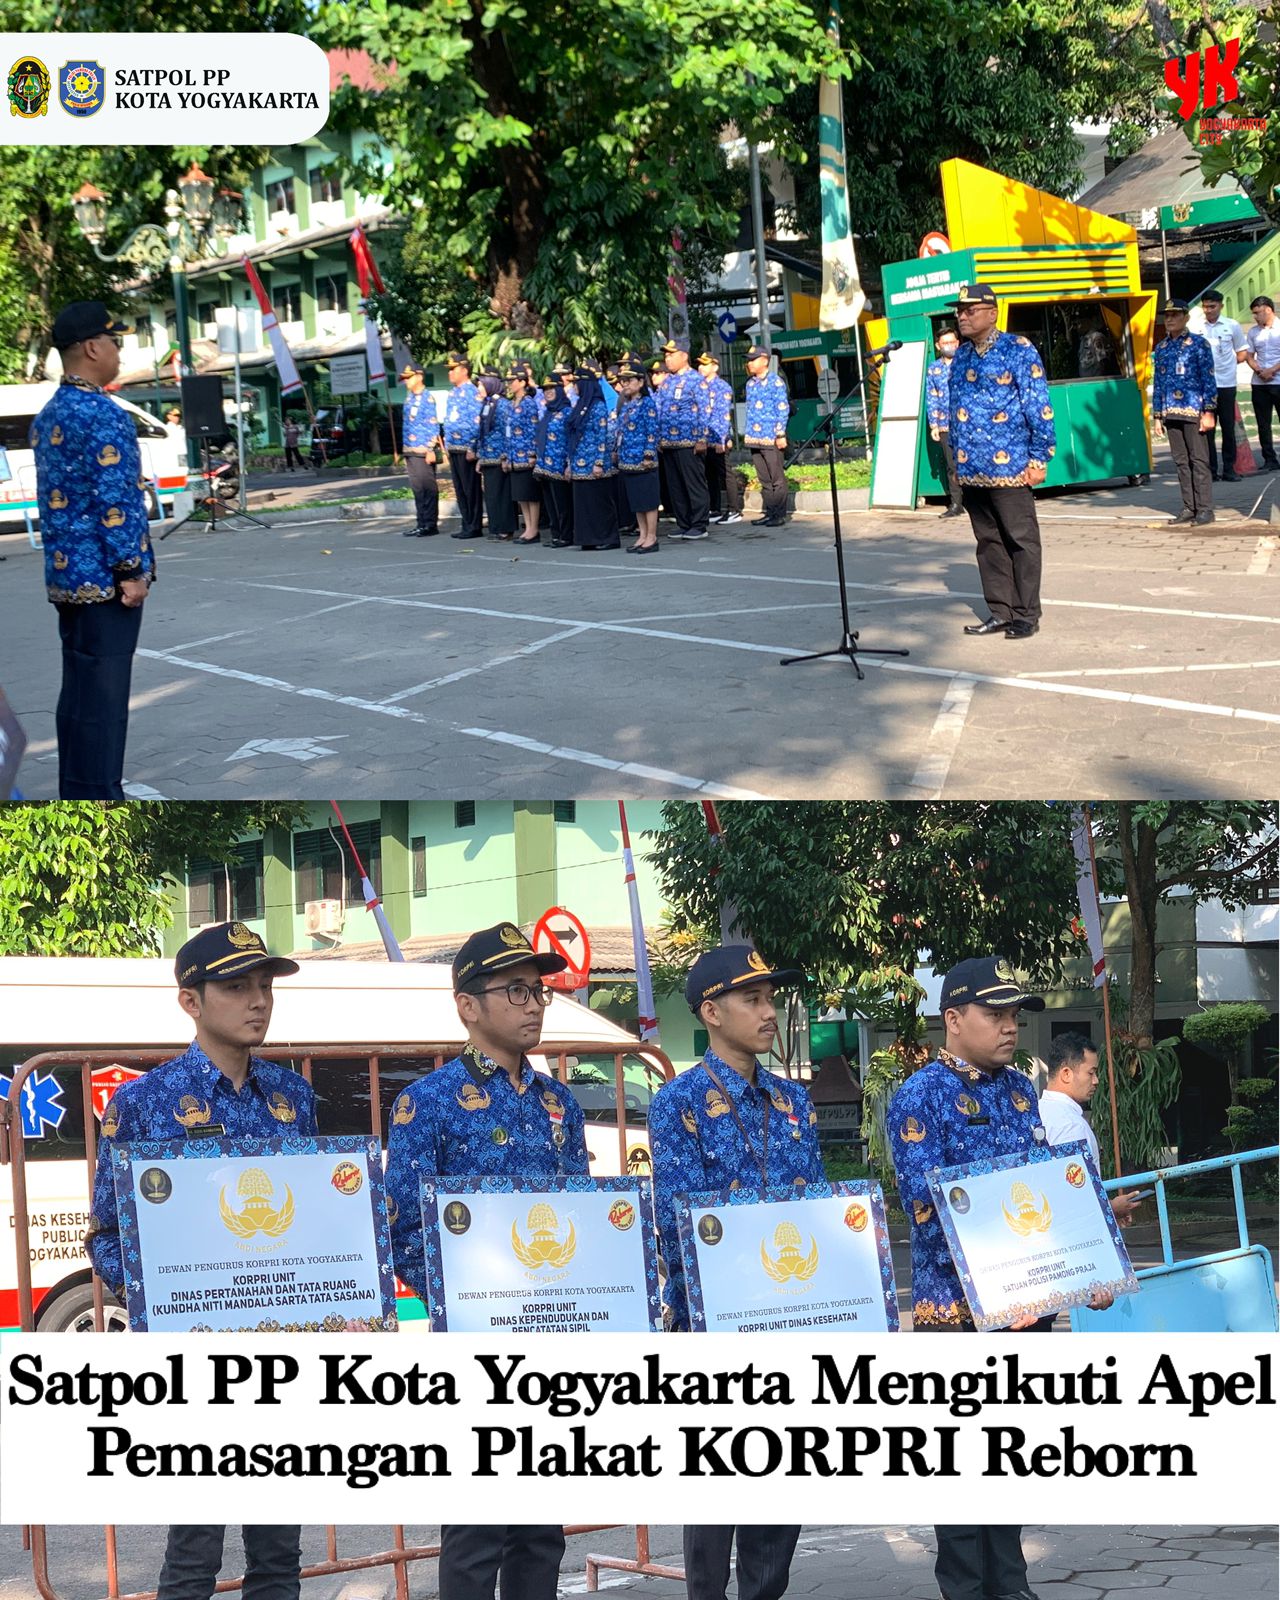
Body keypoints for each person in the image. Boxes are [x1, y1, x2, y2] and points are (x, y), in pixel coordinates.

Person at [83, 921, 310, 1600]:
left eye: (265, 985)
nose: (258, 1000)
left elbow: (323, 1229)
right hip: (196, 1357)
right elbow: (106, 1235)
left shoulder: (291, 1099)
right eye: (236, 986)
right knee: (195, 1550)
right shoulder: (143, 1105)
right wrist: (174, 1303)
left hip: (283, 1348)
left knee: (279, 1548)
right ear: (191, 1000)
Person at [888, 955, 1114, 1600]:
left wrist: (1088, 1260)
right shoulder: (920, 1096)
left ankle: (1010, 1585)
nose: (1011, 1026)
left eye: (1015, 1014)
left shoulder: (1020, 1090)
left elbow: (1051, 1191)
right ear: (953, 1018)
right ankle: (965, 1589)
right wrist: (1006, 1280)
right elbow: (925, 1208)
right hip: (956, 1313)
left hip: (1029, 1307)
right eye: (996, 1013)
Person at [386, 921, 586, 1600]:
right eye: (516, 990)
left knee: (540, 1530)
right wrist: (471, 1299)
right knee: (476, 1531)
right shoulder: (428, 1102)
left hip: (555, 1337)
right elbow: (404, 1227)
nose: (533, 1004)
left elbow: (580, 1217)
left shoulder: (560, 1101)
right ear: (469, 1005)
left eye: (539, 991)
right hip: (474, 1346)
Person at [648, 945, 820, 1600]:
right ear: (711, 1012)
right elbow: (677, 1220)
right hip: (714, 1330)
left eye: (772, 998)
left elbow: (818, 1216)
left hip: (794, 1322)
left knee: (780, 1495)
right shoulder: (678, 1103)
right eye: (753, 999)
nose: (769, 1010)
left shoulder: (793, 1102)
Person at [32, 300, 155, 799]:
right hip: (106, 582)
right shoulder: (104, 415)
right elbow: (115, 502)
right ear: (91, 347)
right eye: (114, 341)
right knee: (104, 702)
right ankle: (100, 797)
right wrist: (131, 570)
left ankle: (77, 790)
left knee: (78, 696)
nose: (119, 351)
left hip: (67, 579)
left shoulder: (50, 415)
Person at [947, 284, 1055, 641]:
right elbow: (953, 410)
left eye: (970, 310)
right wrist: (959, 463)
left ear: (992, 313)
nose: (962, 316)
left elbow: (1038, 406)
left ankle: (1026, 613)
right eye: (959, 311)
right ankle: (1000, 611)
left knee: (1020, 540)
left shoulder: (1018, 350)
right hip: (973, 467)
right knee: (988, 543)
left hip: (1010, 466)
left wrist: (1040, 457)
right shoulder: (961, 357)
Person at [1038, 1033, 1143, 1226]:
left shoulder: (1036, 1112)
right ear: (1066, 1074)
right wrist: (1112, 1207)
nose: (1096, 1080)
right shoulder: (1070, 1125)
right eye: (1091, 1072)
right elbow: (1074, 1193)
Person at [1153, 298, 1216, 526]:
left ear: (1186, 317)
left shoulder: (1199, 344)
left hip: (1194, 411)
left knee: (1199, 460)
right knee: (1181, 462)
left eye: (1175, 315)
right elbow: (1158, 383)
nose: (1169, 319)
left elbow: (1208, 379)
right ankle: (1189, 506)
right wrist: (1158, 416)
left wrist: (1209, 411)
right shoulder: (1161, 348)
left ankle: (1205, 509)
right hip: (1171, 412)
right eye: (1166, 316)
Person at [657, 336, 712, 540]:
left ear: (684, 356)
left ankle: (699, 524)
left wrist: (702, 438)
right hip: (669, 442)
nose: (667, 359)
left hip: (690, 441)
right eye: (666, 355)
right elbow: (660, 410)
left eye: (671, 355)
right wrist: (659, 438)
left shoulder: (696, 380)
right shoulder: (666, 382)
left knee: (693, 483)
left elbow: (704, 410)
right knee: (676, 485)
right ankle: (683, 522)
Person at [1189, 288, 1247, 481]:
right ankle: (1211, 470)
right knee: (1207, 430)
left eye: (1212, 306)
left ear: (1221, 306)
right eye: (1205, 307)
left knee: (1228, 428)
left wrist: (1227, 365)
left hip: (1226, 384)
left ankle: (1229, 468)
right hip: (1205, 386)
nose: (1209, 310)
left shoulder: (1232, 325)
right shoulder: (1196, 327)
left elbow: (1241, 352)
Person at [566, 364, 619, 550]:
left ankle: (607, 538)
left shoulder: (597, 406)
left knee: (599, 502)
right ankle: (587, 538)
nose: (574, 387)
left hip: (596, 464)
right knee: (583, 503)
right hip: (579, 463)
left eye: (577, 383)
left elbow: (601, 435)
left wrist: (598, 462)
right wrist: (570, 464)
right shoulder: (580, 405)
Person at [615, 359, 661, 553]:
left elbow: (652, 430)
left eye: (628, 380)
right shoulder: (626, 405)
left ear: (641, 382)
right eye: (622, 380)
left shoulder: (647, 403)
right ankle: (642, 535)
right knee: (636, 501)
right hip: (628, 459)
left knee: (648, 500)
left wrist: (649, 455)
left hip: (643, 459)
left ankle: (652, 536)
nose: (624, 384)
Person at [741, 344, 790, 528]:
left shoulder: (775, 381)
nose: (750, 363)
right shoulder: (750, 383)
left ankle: (779, 514)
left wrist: (780, 433)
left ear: (765, 360)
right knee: (764, 479)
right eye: (749, 360)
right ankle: (770, 512)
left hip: (771, 437)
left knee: (776, 477)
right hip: (754, 437)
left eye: (753, 360)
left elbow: (782, 408)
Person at [697, 351, 743, 525]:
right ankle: (715, 508)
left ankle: (734, 510)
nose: (701, 367)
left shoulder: (721, 386)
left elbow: (723, 415)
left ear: (715, 366)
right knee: (710, 475)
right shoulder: (701, 386)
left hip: (717, 437)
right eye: (700, 364)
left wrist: (722, 439)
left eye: (705, 364)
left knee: (725, 474)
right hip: (705, 438)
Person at [442, 352, 485, 538]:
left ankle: (474, 525)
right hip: (454, 448)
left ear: (464, 370)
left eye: (453, 369)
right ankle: (466, 522)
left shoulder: (471, 392)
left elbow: (477, 422)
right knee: (460, 489)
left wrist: (473, 448)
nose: (450, 373)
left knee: (470, 488)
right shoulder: (453, 393)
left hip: (466, 448)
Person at [925, 326, 964, 517]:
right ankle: (956, 504)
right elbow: (932, 398)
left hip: (968, 423)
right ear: (938, 345)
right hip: (944, 424)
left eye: (952, 342)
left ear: (958, 343)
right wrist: (934, 425)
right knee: (952, 465)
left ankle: (979, 504)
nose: (949, 346)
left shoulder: (966, 362)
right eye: (945, 343)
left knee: (972, 462)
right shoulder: (934, 369)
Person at [400, 362, 442, 537]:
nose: (406, 382)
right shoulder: (409, 397)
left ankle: (430, 524)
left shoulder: (427, 398)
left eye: (409, 378)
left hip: (423, 450)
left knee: (428, 488)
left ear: (419, 377)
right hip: (410, 449)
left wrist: (431, 448)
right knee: (417, 488)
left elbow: (433, 424)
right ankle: (421, 522)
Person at [535, 368, 574, 547]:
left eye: (552, 389)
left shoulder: (567, 412)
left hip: (560, 466)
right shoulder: (547, 412)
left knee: (562, 504)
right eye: (545, 389)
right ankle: (556, 534)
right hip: (545, 466)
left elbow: (571, 440)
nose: (548, 392)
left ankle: (566, 535)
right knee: (551, 504)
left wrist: (569, 464)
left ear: (559, 390)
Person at [505, 361, 543, 544]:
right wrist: (506, 456)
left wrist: (533, 454)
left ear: (522, 382)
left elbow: (534, 430)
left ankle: (533, 529)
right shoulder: (511, 404)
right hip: (514, 456)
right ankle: (527, 527)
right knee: (521, 495)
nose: (510, 384)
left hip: (526, 455)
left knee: (530, 495)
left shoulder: (529, 403)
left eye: (513, 380)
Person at [475, 367, 515, 540]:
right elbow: (482, 432)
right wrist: (480, 456)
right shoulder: (488, 404)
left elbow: (508, 432)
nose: (479, 388)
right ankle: (496, 527)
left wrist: (506, 456)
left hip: (499, 457)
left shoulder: (503, 405)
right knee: (491, 494)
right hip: (487, 457)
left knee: (502, 495)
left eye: (481, 385)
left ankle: (505, 528)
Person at [1244, 295, 1280, 471]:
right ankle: (1270, 459)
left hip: (1278, 381)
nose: (1256, 317)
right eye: (1253, 314)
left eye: (1258, 313)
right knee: (1263, 424)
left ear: (1268, 309)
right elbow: (1249, 356)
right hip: (1259, 383)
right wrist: (1259, 371)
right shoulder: (1253, 332)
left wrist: (1272, 370)